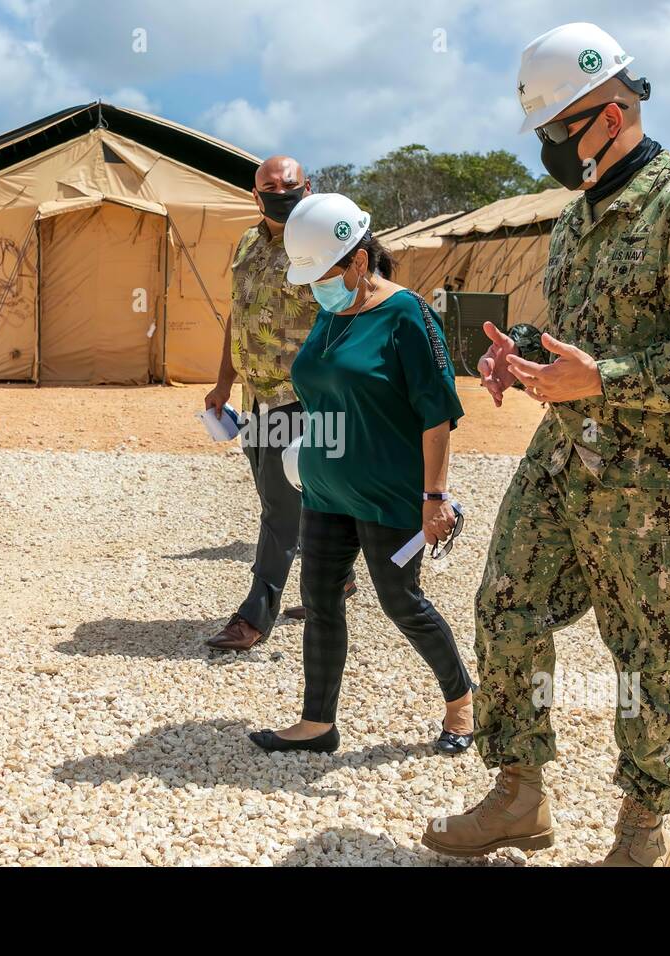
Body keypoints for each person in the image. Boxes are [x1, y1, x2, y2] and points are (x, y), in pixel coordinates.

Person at [423, 22, 670, 865]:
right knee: (506, 602)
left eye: (554, 131)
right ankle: (518, 796)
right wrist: (528, 357)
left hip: (664, 481)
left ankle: (642, 832)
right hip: (568, 455)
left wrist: (602, 377)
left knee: (650, 654)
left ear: (610, 115)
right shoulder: (575, 221)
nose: (546, 148)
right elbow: (582, 336)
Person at [247, 193, 474, 756]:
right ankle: (317, 722)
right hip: (325, 490)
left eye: (320, 274)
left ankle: (462, 700)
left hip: (389, 494)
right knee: (321, 601)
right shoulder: (330, 312)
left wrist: (435, 497)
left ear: (356, 260)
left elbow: (437, 413)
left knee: (402, 602)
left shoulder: (407, 315)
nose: (313, 288)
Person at [205, 156, 355, 651]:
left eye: (289, 184)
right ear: (255, 195)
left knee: (279, 506)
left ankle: (254, 616)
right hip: (256, 399)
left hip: (304, 398)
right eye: (268, 186)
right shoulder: (247, 243)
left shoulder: (320, 244)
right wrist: (223, 383)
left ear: (306, 187)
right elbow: (238, 315)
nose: (280, 191)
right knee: (302, 494)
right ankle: (338, 579)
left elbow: (350, 312)